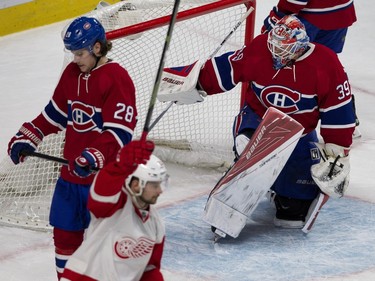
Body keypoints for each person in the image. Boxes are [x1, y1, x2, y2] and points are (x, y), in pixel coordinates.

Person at [160, 15, 355, 230]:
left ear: (299, 47)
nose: (276, 54)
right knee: (251, 146)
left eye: (283, 50)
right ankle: (246, 162)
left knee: (293, 214)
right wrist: (192, 82)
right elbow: (228, 67)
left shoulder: (326, 64)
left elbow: (339, 111)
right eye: (274, 46)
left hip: (299, 132)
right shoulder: (261, 47)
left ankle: (282, 194)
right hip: (258, 117)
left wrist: (337, 153)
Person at [7, 16, 138, 279]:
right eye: (72, 53)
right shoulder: (71, 74)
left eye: (79, 53)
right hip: (70, 179)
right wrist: (29, 135)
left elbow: (120, 131)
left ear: (97, 48)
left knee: (107, 246)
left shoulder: (117, 78)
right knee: (65, 237)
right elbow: (54, 114)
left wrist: (94, 155)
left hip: (104, 182)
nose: (75, 59)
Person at [61, 139, 167, 281]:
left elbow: (149, 269)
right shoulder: (116, 204)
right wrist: (120, 167)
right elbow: (100, 195)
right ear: (136, 185)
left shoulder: (155, 223)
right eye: (154, 185)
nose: (160, 190)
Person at [262, 0, 360, 137]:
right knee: (328, 64)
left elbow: (294, 1)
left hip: (311, 17)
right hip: (341, 12)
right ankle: (346, 118)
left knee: (287, 58)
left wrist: (279, 15)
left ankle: (286, 117)